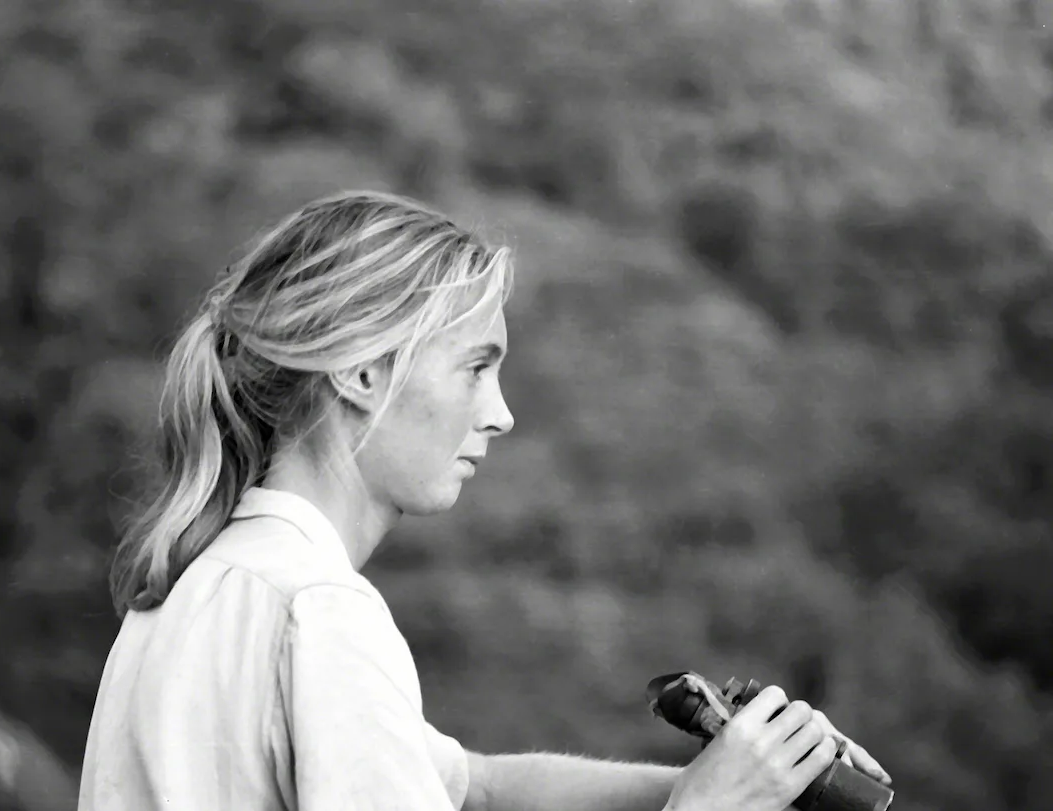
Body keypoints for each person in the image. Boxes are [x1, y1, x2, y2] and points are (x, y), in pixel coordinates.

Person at [78, 190, 890, 810]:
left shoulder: (184, 594)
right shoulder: (319, 614)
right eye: (475, 366)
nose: (500, 413)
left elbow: (477, 787)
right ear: (362, 373)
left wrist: (746, 774)